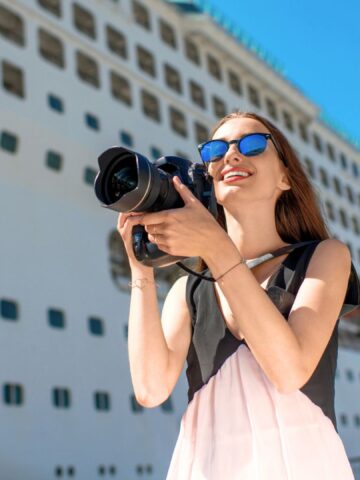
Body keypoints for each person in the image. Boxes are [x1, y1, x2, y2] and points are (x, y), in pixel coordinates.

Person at [117, 112, 359, 479]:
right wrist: (141, 271)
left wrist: (217, 249)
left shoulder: (324, 256)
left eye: (253, 144)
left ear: (285, 178)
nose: (230, 156)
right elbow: (150, 389)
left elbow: (290, 371)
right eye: (215, 150)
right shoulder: (191, 288)